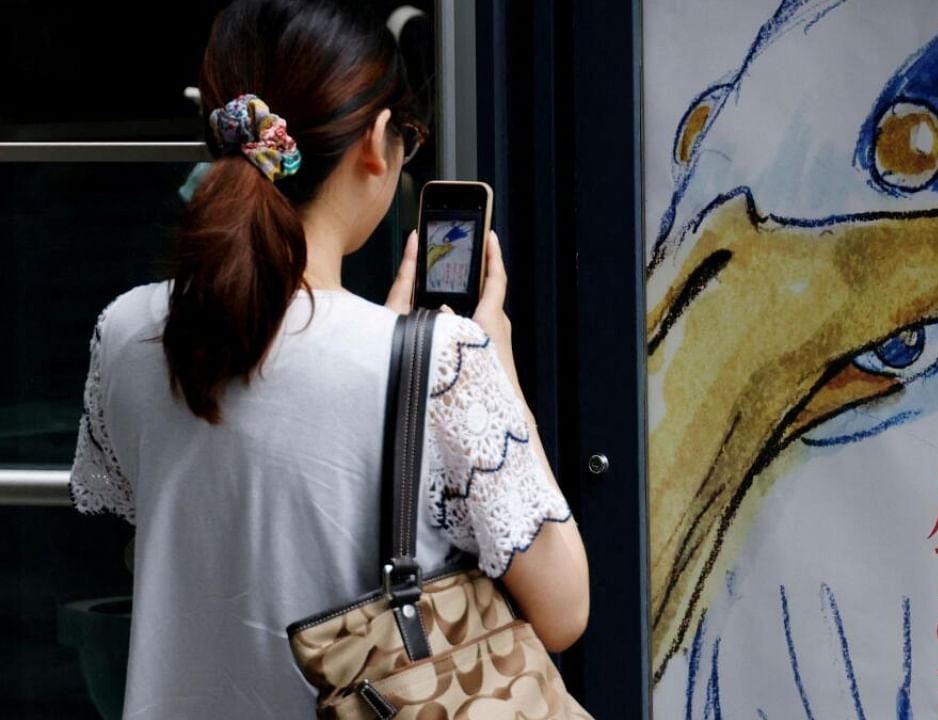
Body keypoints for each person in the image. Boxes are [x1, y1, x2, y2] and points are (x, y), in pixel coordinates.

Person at [67, 0, 589, 716]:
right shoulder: (442, 362)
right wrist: (487, 374)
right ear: (379, 141)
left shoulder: (126, 331)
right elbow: (564, 611)